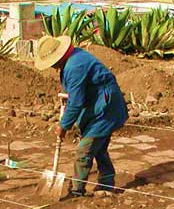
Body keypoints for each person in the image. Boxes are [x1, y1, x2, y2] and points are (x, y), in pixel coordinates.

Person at [34, 35, 128, 197]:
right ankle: (106, 184)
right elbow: (75, 93)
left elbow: (76, 102)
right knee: (98, 148)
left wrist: (64, 125)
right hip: (99, 105)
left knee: (84, 151)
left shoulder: (75, 66)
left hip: (105, 108)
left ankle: (76, 191)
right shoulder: (72, 60)